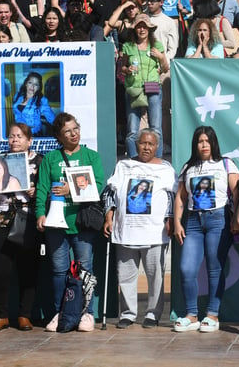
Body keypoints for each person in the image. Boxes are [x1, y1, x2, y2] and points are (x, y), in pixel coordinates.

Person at [35, 113, 105, 332]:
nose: (73, 134)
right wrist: (40, 213)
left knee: (84, 268)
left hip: (81, 223)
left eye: (76, 128)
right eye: (67, 131)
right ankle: (60, 312)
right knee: (59, 270)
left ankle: (87, 313)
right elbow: (42, 189)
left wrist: (70, 190)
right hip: (56, 223)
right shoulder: (50, 159)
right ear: (58, 135)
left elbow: (99, 186)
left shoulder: (91, 156)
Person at [104, 129, 177, 329]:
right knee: (125, 276)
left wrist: (170, 218)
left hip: (155, 232)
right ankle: (128, 314)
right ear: (136, 145)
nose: (146, 147)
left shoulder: (165, 168)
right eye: (143, 143)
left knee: (156, 277)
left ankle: (153, 314)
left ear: (157, 147)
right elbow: (109, 192)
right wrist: (109, 214)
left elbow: (172, 196)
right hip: (125, 230)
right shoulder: (123, 165)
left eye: (151, 144)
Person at [0, 123, 42, 332]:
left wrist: (37, 191)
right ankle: (1, 316)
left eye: (20, 136)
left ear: (29, 140)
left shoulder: (40, 161)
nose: (15, 140)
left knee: (28, 269)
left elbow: (48, 189)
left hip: (27, 222)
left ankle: (25, 315)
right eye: (12, 136)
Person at [121, 14, 168, 158]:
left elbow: (165, 68)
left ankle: (157, 162)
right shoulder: (127, 46)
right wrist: (127, 70)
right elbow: (122, 67)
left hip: (153, 87)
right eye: (139, 26)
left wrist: (160, 57)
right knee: (132, 131)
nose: (142, 29)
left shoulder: (157, 45)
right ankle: (134, 162)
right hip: (134, 88)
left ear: (149, 29)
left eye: (144, 26)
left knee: (156, 128)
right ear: (134, 29)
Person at [12, 72, 57, 136]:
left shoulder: (42, 100)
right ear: (26, 84)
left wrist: (61, 127)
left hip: (34, 134)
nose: (32, 86)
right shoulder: (17, 96)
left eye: (36, 84)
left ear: (38, 87)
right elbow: (16, 113)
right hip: (20, 132)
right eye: (30, 83)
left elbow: (51, 117)